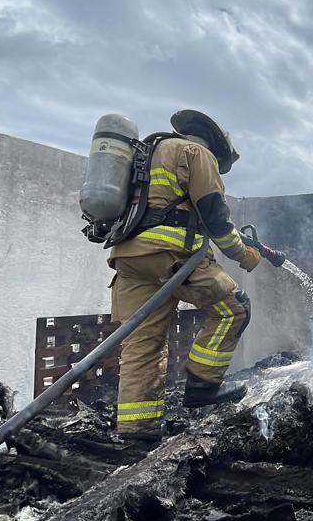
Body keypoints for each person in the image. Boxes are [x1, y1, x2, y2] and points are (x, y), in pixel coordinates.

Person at [109, 109, 262, 442]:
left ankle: (138, 431)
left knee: (143, 344)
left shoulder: (144, 156)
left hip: (128, 259)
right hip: (171, 254)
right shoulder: (196, 153)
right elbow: (215, 218)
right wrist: (243, 254)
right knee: (235, 308)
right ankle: (202, 385)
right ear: (216, 148)